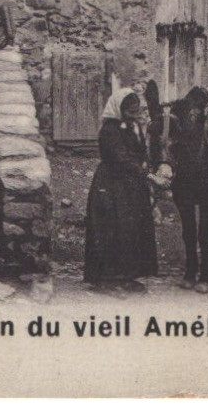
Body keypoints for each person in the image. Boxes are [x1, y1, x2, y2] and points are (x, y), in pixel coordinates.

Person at [83, 89, 161, 290]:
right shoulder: (110, 130)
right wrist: (149, 176)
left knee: (132, 229)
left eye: (135, 111)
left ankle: (127, 276)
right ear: (119, 108)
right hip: (112, 185)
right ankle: (109, 279)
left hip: (131, 185)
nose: (133, 115)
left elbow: (140, 152)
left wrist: (146, 163)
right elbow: (121, 159)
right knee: (114, 228)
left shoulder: (131, 127)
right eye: (129, 111)